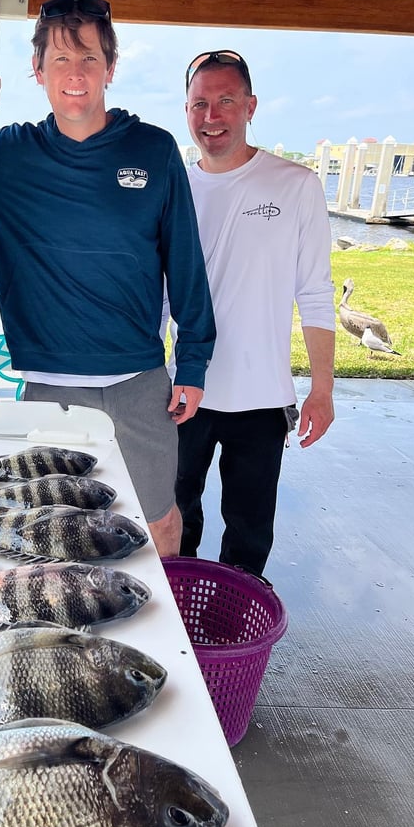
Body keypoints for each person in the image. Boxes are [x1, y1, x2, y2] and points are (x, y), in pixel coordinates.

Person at [0, 0, 216, 557]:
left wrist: (193, 361)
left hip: (138, 383)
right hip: (48, 385)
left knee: (159, 527)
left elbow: (186, 262)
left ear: (110, 68)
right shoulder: (5, 155)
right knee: (51, 537)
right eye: (60, 60)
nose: (75, 75)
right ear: (37, 71)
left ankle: (157, 647)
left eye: (89, 60)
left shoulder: (152, 149)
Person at [171, 48, 335, 575]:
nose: (211, 116)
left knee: (248, 534)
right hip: (182, 390)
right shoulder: (174, 187)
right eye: (199, 104)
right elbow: (151, 292)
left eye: (225, 101)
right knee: (173, 526)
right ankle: (176, 638)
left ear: (250, 106)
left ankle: (233, 639)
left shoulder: (296, 185)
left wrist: (323, 389)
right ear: (187, 110)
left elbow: (314, 291)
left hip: (263, 398)